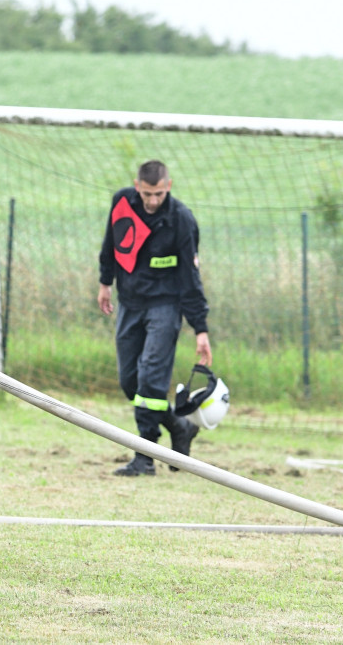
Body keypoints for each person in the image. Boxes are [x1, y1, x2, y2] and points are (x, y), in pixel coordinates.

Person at [98, 159, 211, 476]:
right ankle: (180, 427)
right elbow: (111, 245)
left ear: (168, 187)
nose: (152, 201)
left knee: (150, 379)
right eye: (147, 194)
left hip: (166, 305)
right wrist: (105, 283)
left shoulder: (182, 220)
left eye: (158, 194)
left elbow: (191, 278)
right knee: (129, 382)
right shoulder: (122, 202)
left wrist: (200, 329)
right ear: (137, 186)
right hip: (130, 302)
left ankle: (144, 456)